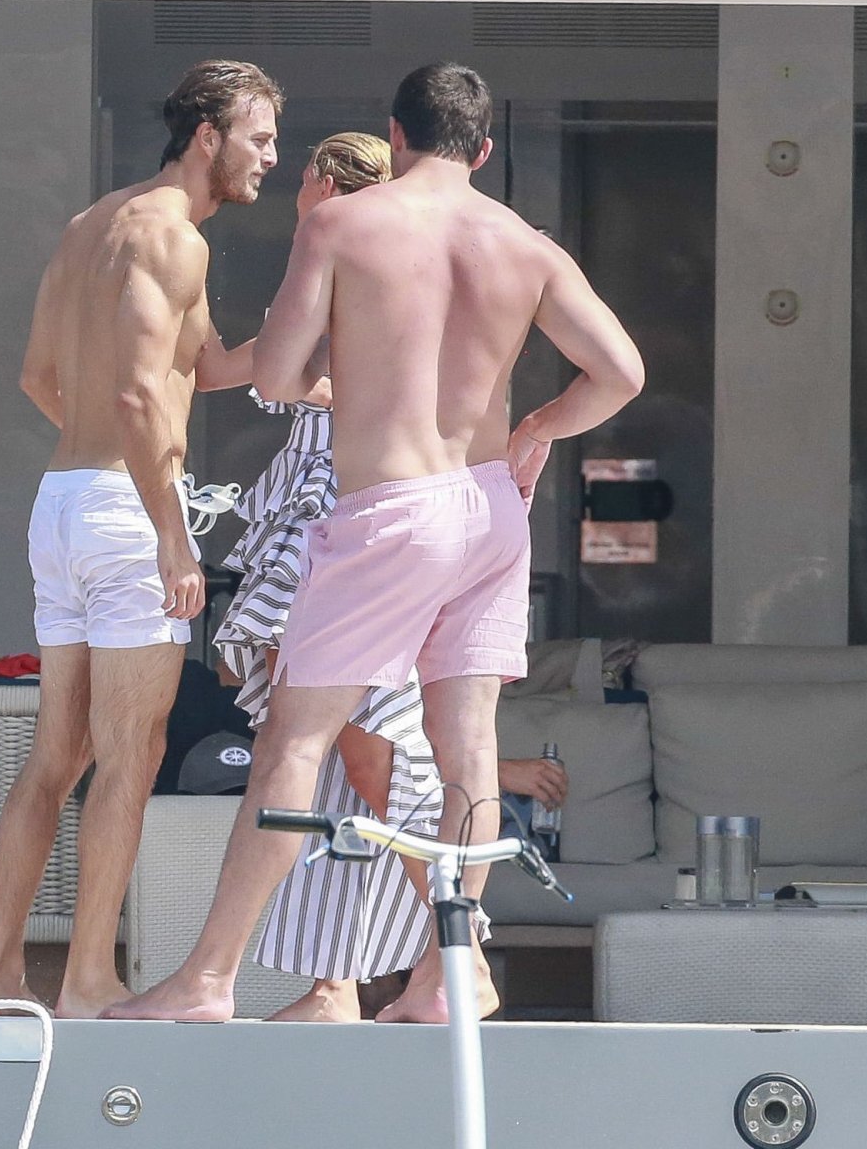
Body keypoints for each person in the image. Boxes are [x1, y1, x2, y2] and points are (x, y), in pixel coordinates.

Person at [108, 62, 643, 1023]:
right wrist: (536, 429)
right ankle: (448, 974)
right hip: (491, 510)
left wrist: (353, 355)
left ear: (396, 136)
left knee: (293, 739)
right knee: (466, 746)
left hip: (392, 511)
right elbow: (620, 373)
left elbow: (276, 377)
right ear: (483, 149)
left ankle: (208, 979)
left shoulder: (345, 225)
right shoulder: (526, 245)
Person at [217, 133, 568, 1022]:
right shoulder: (362, 263)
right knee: (345, 762)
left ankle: (461, 954)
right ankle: (335, 983)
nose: (295, 186)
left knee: (366, 751)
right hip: (368, 517)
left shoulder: (354, 257)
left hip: (361, 516)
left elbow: (295, 378)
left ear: (331, 187)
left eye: (304, 173)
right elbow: (235, 368)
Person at [0, 60, 284, 1017]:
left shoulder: (92, 226)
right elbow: (144, 394)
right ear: (208, 136)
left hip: (64, 499)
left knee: (56, 754)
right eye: (260, 137)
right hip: (127, 511)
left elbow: (59, 376)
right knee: (130, 754)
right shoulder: (176, 239)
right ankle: (87, 980)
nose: (271, 156)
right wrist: (170, 533)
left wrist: (297, 353)